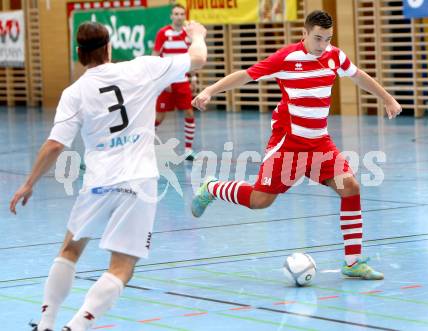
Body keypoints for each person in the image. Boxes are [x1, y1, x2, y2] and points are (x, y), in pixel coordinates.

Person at [10, 20, 207, 331]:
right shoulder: (142, 69)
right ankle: (75, 327)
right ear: (109, 48)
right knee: (122, 267)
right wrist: (198, 35)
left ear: (79, 54)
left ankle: (46, 323)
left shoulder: (75, 93)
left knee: (70, 250)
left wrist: (28, 183)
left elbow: (54, 145)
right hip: (138, 183)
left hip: (97, 184)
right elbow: (197, 59)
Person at [191, 10, 402, 280]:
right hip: (288, 143)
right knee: (260, 201)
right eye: (318, 38)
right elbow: (245, 75)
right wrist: (209, 90)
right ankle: (212, 187)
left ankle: (353, 262)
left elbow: (359, 75)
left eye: (327, 38)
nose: (323, 45)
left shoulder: (335, 56)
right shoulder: (287, 58)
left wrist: (386, 98)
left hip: (319, 143)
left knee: (350, 187)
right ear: (304, 34)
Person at [152, 4, 199, 161]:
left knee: (189, 112)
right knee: (159, 117)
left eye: (181, 14)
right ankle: (145, 147)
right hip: (166, 82)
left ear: (184, 16)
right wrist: (161, 80)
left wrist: (193, 77)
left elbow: (192, 58)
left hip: (182, 81)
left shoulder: (187, 34)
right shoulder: (163, 33)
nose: (179, 16)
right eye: (176, 14)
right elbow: (154, 58)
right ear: (171, 16)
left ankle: (188, 150)